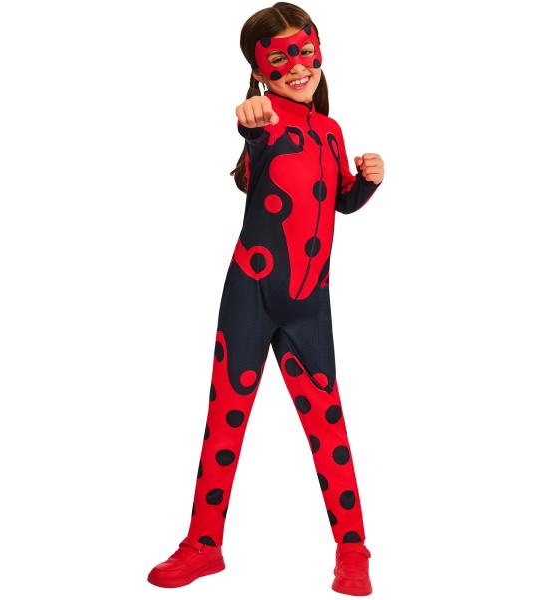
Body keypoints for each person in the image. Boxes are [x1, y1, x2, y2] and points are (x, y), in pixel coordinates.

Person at [147, 2, 384, 596]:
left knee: (329, 426)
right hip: (249, 298)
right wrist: (251, 123)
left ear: (320, 52)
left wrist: (366, 183)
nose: (296, 66)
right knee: (224, 422)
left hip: (310, 305)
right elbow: (255, 147)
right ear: (259, 69)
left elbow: (340, 202)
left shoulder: (331, 131)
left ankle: (352, 548)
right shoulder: (264, 121)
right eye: (279, 58)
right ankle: (203, 544)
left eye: (305, 52)